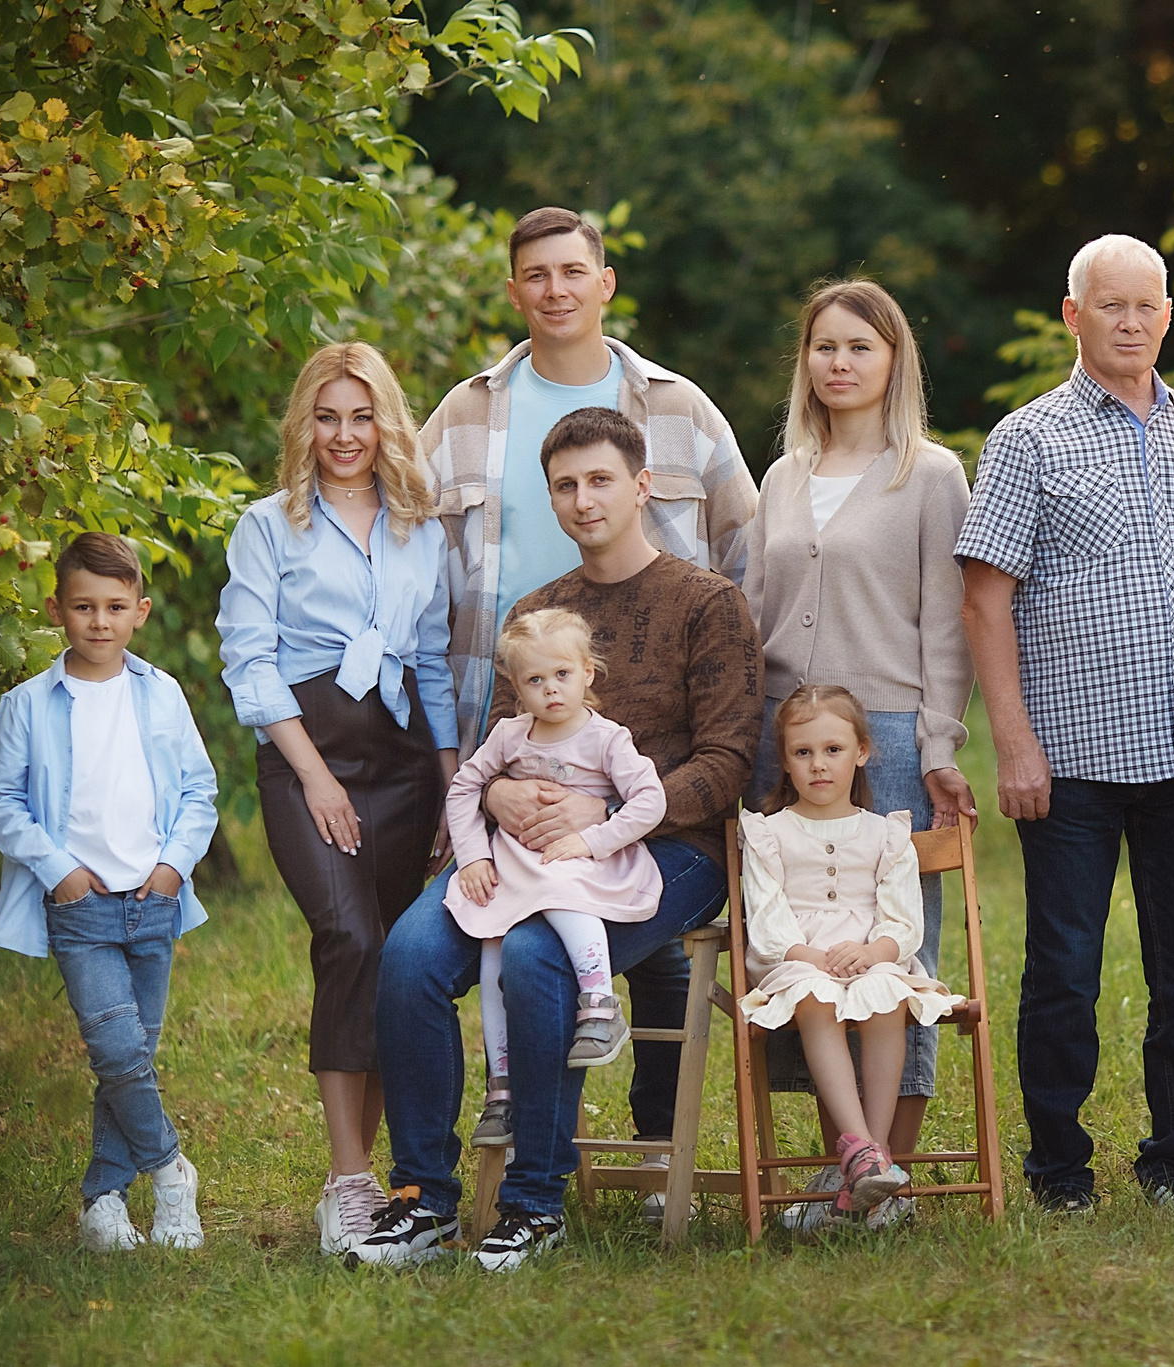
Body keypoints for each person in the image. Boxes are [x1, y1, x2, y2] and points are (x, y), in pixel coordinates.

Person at [360, 408, 760, 1272]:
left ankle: (533, 1203)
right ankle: (422, 1200)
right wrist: (501, 794)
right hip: (523, 850)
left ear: (643, 485)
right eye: (566, 485)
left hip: (671, 849)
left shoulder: (708, 604)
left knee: (540, 956)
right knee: (410, 954)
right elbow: (501, 746)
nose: (584, 499)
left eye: (601, 479)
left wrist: (606, 813)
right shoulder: (539, 612)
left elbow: (727, 762)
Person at [421, 205, 760, 1169]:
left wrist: (723, 655)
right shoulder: (469, 412)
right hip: (520, 718)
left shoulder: (680, 408)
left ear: (605, 282)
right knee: (491, 940)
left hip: (660, 724)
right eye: (537, 274)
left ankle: (646, 1151)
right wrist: (491, 780)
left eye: (576, 271)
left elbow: (747, 543)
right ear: (515, 288)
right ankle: (506, 1145)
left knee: (637, 952)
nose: (557, 289)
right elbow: (415, 549)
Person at [956, 232, 1174, 1213]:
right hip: (1069, 756)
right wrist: (1014, 742)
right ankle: (1058, 1169)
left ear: (1167, 315)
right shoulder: (1025, 439)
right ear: (1073, 316)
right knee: (1065, 972)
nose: (1129, 321)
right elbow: (985, 602)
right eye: (1108, 305)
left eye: (1146, 305)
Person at [743, 278, 976, 1231]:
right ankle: (846, 1164)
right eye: (824, 347)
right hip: (785, 737)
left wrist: (938, 745)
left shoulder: (929, 474)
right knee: (798, 954)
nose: (840, 363)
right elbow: (757, 615)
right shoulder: (782, 477)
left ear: (893, 361)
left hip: (884, 734)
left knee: (893, 950)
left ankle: (892, 1176)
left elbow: (945, 629)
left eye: (860, 347)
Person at [217, 342, 457, 1256]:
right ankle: (347, 1180)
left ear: (386, 421)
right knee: (348, 937)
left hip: (403, 765)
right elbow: (250, 657)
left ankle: (389, 1178)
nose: (345, 435)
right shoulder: (268, 526)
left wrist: (448, 783)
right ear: (303, 425)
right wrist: (313, 773)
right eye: (327, 416)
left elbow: (430, 656)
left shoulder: (418, 527)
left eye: (362, 416)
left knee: (395, 957)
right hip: (305, 754)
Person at [0, 533, 219, 1252]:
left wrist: (174, 865)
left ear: (140, 610)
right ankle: (172, 1171)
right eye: (84, 606)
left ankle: (103, 1200)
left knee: (133, 1053)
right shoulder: (27, 704)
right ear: (57, 608)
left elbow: (198, 790)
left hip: (153, 898)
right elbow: (1, 798)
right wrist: (60, 870)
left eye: (116, 605)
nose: (100, 620)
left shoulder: (162, 694)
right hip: (79, 906)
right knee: (115, 1049)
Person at [446, 609, 670, 1148]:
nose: (550, 691)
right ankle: (500, 1084)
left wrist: (593, 840)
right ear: (517, 689)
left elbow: (651, 800)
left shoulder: (606, 739)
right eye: (535, 681)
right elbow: (462, 789)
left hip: (580, 861)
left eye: (562, 675)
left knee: (564, 895)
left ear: (588, 672)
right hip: (517, 862)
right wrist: (473, 856)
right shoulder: (510, 735)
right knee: (492, 946)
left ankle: (600, 1002)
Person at [737, 686, 958, 1219]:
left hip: (869, 958)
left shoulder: (886, 835)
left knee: (888, 995)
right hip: (797, 963)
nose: (819, 765)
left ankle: (871, 1158)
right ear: (785, 762)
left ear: (861, 751)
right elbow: (765, 922)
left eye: (833, 750)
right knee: (814, 998)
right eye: (803, 752)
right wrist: (812, 958)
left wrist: (876, 950)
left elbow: (904, 918)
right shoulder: (768, 835)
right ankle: (862, 1150)